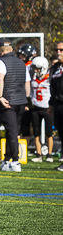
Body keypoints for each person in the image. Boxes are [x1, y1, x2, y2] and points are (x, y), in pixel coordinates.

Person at [0, 39, 30, 172]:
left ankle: (15, 161)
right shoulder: (22, 63)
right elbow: (27, 82)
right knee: (14, 130)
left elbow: (0, 78)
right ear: (12, 49)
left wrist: (0, 96)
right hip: (21, 101)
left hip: (8, 101)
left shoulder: (0, 62)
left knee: (12, 131)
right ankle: (6, 159)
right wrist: (26, 100)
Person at [29, 56, 54, 163]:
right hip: (36, 108)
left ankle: (49, 154)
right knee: (36, 132)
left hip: (47, 108)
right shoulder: (32, 79)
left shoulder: (49, 79)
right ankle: (39, 154)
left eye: (37, 68)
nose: (35, 70)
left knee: (49, 132)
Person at [50, 41, 63, 171]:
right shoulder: (55, 68)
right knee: (61, 133)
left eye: (61, 50)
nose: (58, 52)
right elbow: (53, 88)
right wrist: (51, 104)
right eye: (57, 50)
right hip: (58, 104)